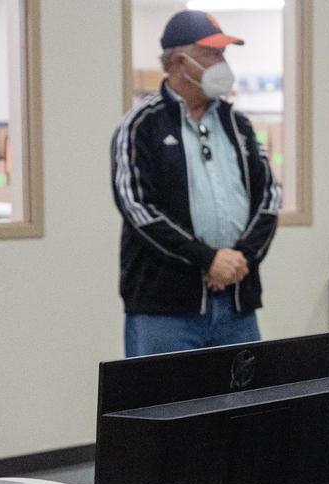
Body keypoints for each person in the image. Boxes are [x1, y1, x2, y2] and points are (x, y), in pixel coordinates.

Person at [110, 10, 279, 357]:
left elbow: (270, 197)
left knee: (246, 394)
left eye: (223, 54)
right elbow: (138, 207)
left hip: (236, 303)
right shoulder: (141, 125)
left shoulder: (239, 125)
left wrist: (239, 260)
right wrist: (207, 259)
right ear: (179, 61)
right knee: (163, 394)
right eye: (211, 54)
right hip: (166, 309)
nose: (222, 64)